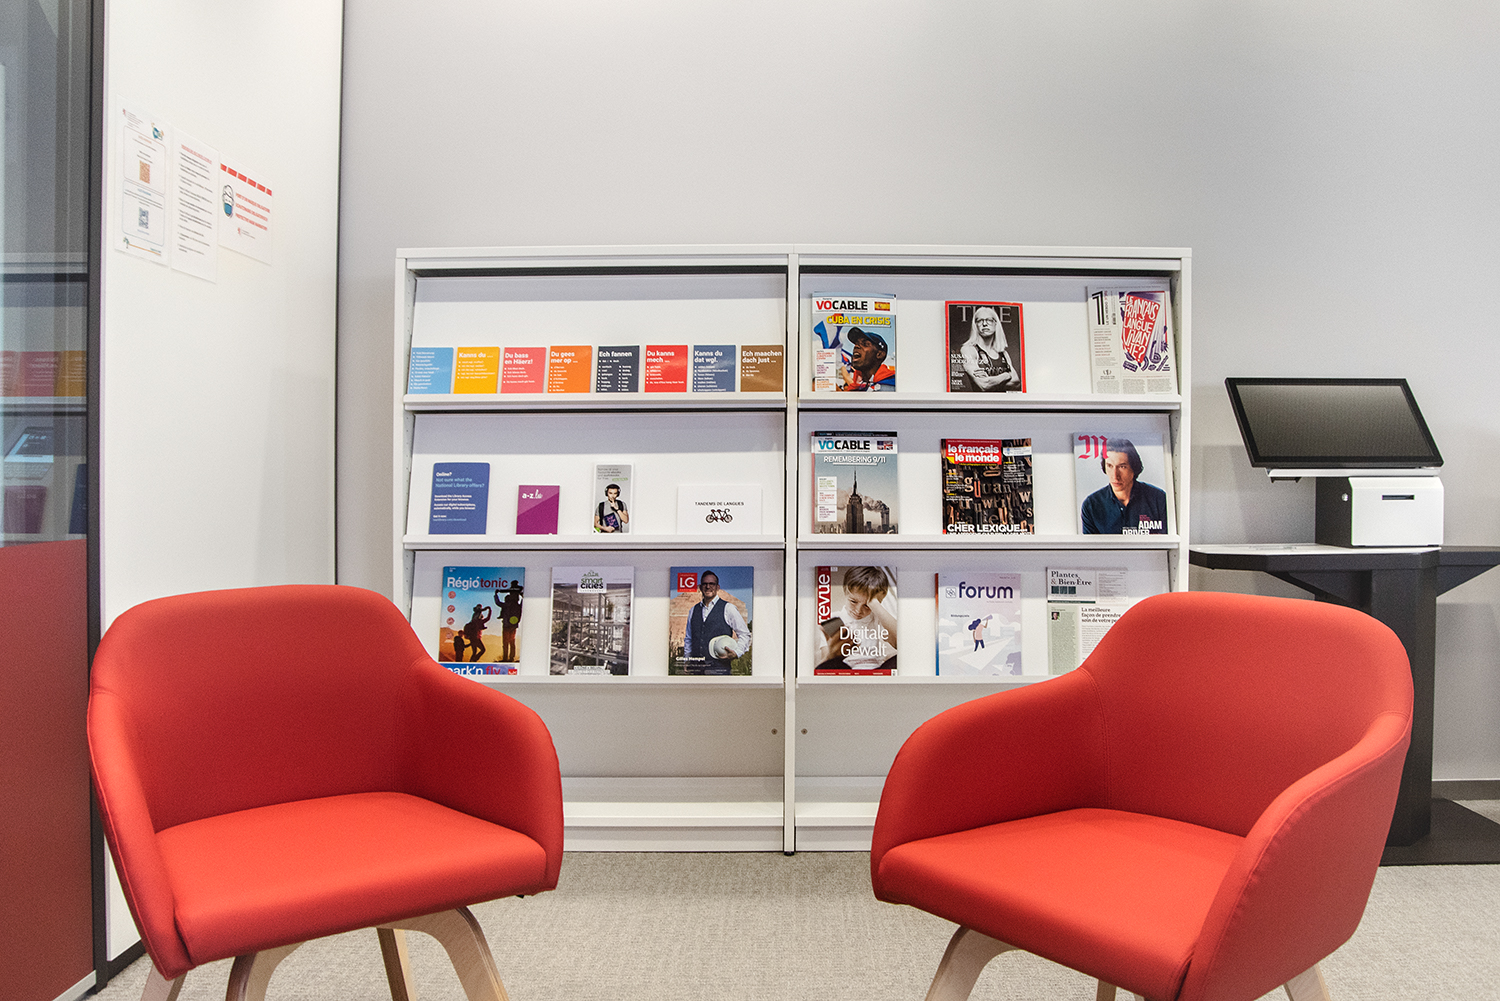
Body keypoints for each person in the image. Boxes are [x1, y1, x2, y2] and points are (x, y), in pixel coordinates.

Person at [816, 566, 897, 673]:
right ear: (845, 592)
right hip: (846, 671)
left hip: (874, 672)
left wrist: (875, 604)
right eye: (853, 602)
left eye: (866, 605)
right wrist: (832, 654)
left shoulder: (877, 618)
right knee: (829, 665)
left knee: (900, 659)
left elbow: (902, 643)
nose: (858, 611)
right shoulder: (832, 618)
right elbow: (825, 664)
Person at [1080, 437, 1168, 534]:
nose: (1115, 476)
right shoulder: (1091, 505)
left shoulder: (1159, 499)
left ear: (1134, 468)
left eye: (1122, 466)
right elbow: (1091, 544)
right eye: (1110, 466)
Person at [682, 570, 752, 675]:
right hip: (696, 671)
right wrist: (686, 659)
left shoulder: (728, 608)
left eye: (712, 584)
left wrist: (737, 653)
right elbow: (689, 638)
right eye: (705, 584)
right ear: (700, 587)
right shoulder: (693, 610)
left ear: (717, 587)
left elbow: (745, 634)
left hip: (720, 671)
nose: (708, 587)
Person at [956, 305, 1021, 392]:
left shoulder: (1003, 354)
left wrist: (991, 380)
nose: (984, 324)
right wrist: (1007, 375)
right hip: (980, 400)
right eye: (980, 320)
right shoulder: (968, 350)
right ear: (975, 325)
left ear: (995, 323)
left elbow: (1017, 383)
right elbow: (984, 385)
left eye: (989, 320)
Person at [839, 326, 895, 392]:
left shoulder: (893, 386)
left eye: (865, 344)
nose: (856, 346)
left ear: (879, 354)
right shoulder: (857, 388)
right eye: (856, 344)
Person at [496, 581, 524, 663]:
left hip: (506, 625)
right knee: (512, 642)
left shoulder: (506, 605)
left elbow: (498, 603)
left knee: (506, 642)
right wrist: (522, 596)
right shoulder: (517, 605)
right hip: (514, 625)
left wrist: (496, 594)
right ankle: (511, 658)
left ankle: (505, 658)